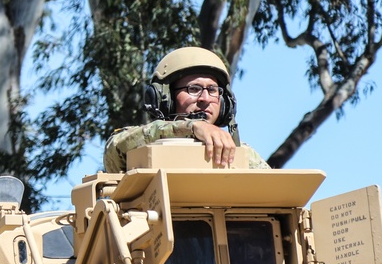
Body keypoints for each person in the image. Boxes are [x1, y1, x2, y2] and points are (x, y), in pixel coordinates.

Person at [103, 47, 269, 172]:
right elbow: (114, 150)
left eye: (212, 90)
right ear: (165, 98)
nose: (205, 98)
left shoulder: (243, 155)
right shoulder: (140, 143)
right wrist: (191, 127)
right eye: (194, 89)